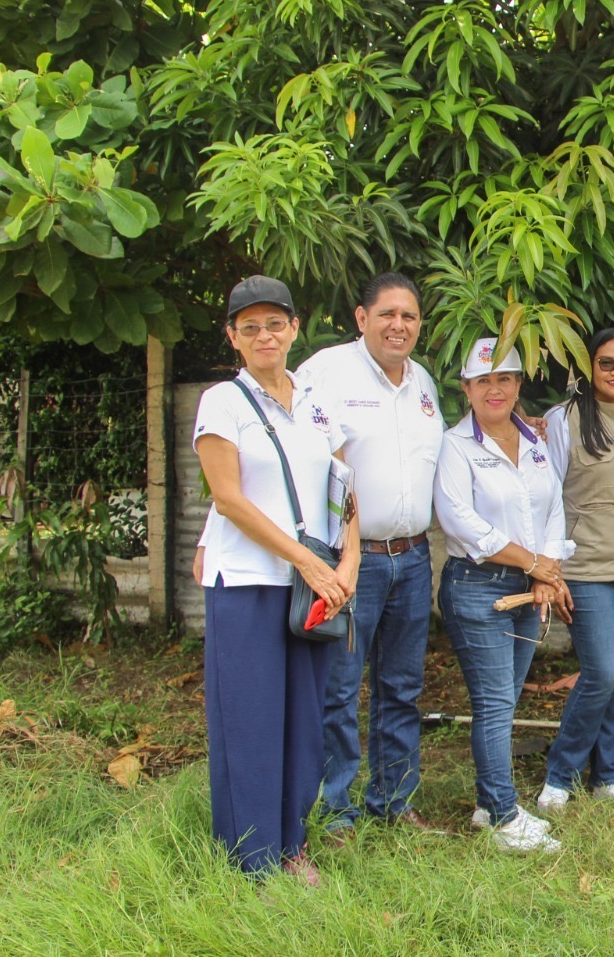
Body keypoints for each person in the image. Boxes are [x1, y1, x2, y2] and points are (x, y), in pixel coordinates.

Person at [193, 275, 360, 882]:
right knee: (251, 723)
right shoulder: (222, 402)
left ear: (294, 328)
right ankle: (252, 862)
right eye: (249, 326)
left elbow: (343, 489)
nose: (264, 335)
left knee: (304, 722)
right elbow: (229, 499)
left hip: (314, 586)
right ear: (233, 337)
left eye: (275, 323)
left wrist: (347, 563)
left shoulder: (315, 399)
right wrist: (310, 562)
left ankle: (292, 844)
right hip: (246, 583)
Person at [303, 273, 446, 837]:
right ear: (361, 319)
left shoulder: (425, 383)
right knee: (339, 687)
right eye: (387, 314)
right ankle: (335, 809)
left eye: (409, 316)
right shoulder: (325, 372)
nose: (399, 325)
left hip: (411, 559)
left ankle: (392, 799)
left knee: (402, 687)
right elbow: (305, 461)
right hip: (350, 562)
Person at [433, 336, 574, 853]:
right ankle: (501, 815)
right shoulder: (455, 446)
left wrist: (545, 571)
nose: (495, 389)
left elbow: (554, 506)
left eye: (505, 379)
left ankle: (486, 802)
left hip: (525, 588)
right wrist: (533, 562)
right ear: (466, 388)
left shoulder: (534, 442)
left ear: (518, 385)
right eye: (483, 380)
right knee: (494, 704)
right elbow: (460, 521)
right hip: (477, 590)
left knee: (506, 701)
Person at [535, 329, 614, 814]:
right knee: (602, 670)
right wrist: (550, 568)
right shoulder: (563, 419)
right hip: (587, 565)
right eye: (606, 363)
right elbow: (547, 495)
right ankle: (560, 774)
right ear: (588, 367)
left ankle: (609, 772)